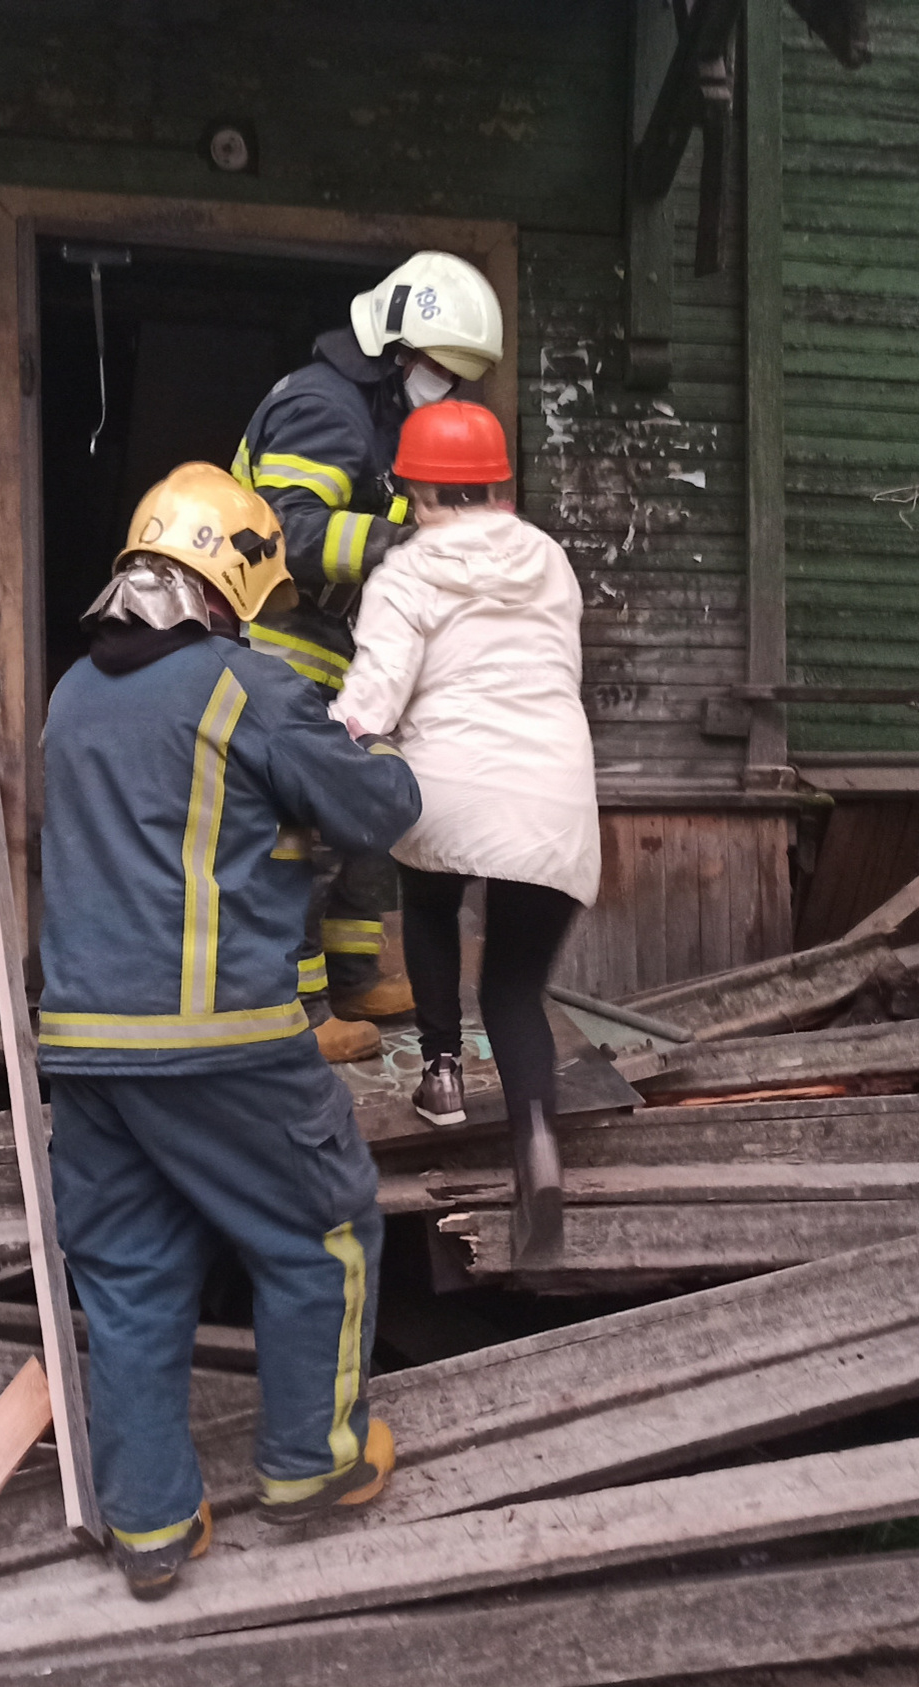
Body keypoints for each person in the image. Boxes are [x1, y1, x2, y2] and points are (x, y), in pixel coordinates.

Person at [37, 463, 424, 1600]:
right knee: (326, 1232)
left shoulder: (70, 695)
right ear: (240, 578)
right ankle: (315, 1464)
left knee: (129, 1272)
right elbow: (374, 811)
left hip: (87, 1051)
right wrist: (383, 748)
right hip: (224, 1042)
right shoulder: (242, 685)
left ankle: (152, 1525)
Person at [331, 400, 598, 1265]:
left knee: (429, 896)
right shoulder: (551, 560)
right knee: (516, 990)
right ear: (498, 483)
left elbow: (372, 701)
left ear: (412, 488)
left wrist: (320, 740)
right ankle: (536, 1145)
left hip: (445, 784)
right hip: (556, 794)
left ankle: (441, 1075)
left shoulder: (405, 574)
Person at [232, 249, 506, 1062]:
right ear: (395, 348)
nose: (448, 389)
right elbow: (287, 534)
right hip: (277, 656)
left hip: (337, 658)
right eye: (441, 371)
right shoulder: (322, 409)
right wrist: (410, 543)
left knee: (361, 820)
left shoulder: (381, 416)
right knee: (298, 833)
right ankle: (302, 1009)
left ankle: (351, 973)